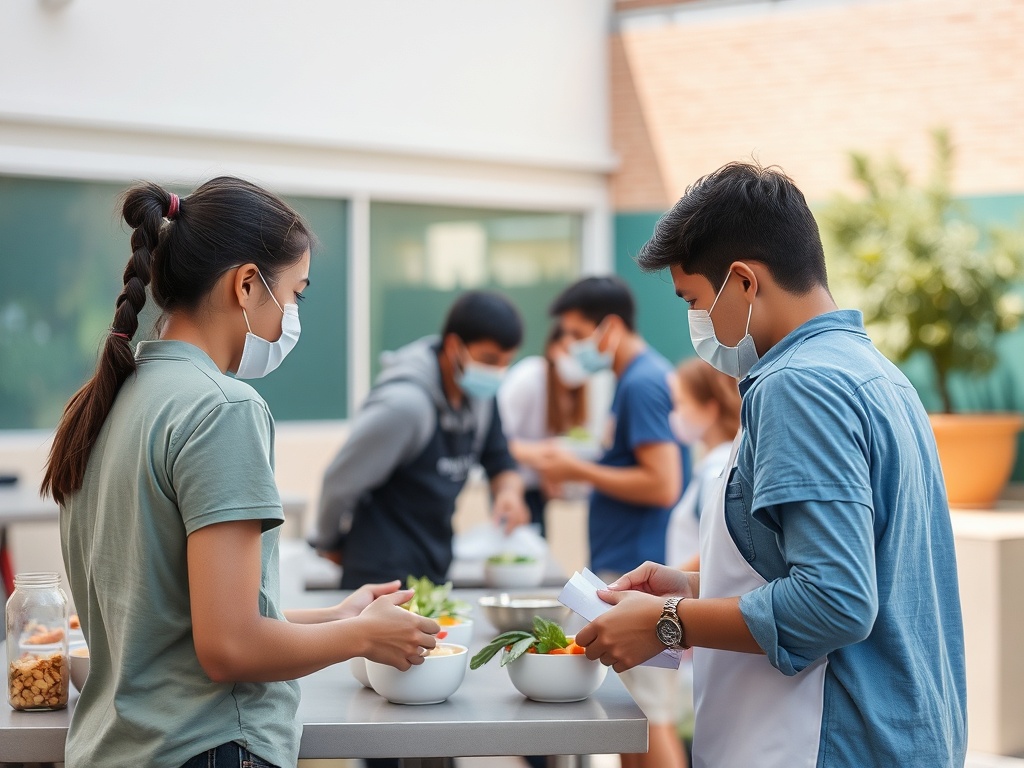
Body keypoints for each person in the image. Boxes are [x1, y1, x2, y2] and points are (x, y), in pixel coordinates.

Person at [574, 162, 967, 768]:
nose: (696, 326)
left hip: (830, 745)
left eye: (694, 301)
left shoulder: (797, 386)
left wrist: (669, 622)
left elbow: (835, 601)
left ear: (743, 281)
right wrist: (693, 589)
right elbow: (855, 574)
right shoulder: (875, 375)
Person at [41, 178, 439, 768]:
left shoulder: (106, 401)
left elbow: (167, 619)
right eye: (296, 294)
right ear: (247, 284)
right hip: (205, 747)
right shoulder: (222, 408)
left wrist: (335, 616)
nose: (294, 316)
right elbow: (228, 647)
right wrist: (363, 638)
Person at [522, 276, 690, 768]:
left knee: (648, 718)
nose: (569, 349)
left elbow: (663, 483)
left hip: (639, 573)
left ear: (609, 327)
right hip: (623, 567)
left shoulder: (641, 382)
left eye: (576, 334)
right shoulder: (629, 379)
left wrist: (577, 468)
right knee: (627, 721)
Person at [313, 291, 531, 588]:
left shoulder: (480, 398)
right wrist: (327, 542)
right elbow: (340, 482)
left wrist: (509, 492)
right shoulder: (405, 406)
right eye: (489, 360)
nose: (496, 373)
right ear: (455, 346)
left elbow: (499, 458)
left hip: (434, 565)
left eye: (505, 363)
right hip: (378, 574)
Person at [498, 321, 590, 537]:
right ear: (553, 348)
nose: (575, 361)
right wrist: (543, 454)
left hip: (538, 491)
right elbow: (495, 443)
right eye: (569, 350)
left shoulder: (576, 392)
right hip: (512, 486)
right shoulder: (527, 378)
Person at [665, 357, 741, 571]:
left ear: (710, 408)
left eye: (680, 404)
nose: (675, 414)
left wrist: (669, 582)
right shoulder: (716, 464)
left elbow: (721, 548)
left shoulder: (716, 471)